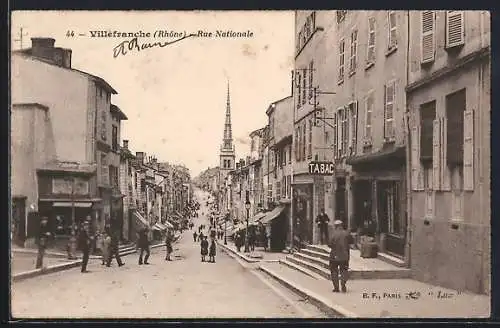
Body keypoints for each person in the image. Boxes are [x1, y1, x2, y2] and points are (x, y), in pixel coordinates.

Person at [328, 220, 353, 293]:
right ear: (341, 226)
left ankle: (336, 287)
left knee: (334, 271)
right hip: (345, 255)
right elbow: (351, 242)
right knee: (344, 270)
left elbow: (329, 244)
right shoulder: (346, 233)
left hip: (334, 256)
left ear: (335, 226)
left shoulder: (333, 234)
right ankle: (343, 283)